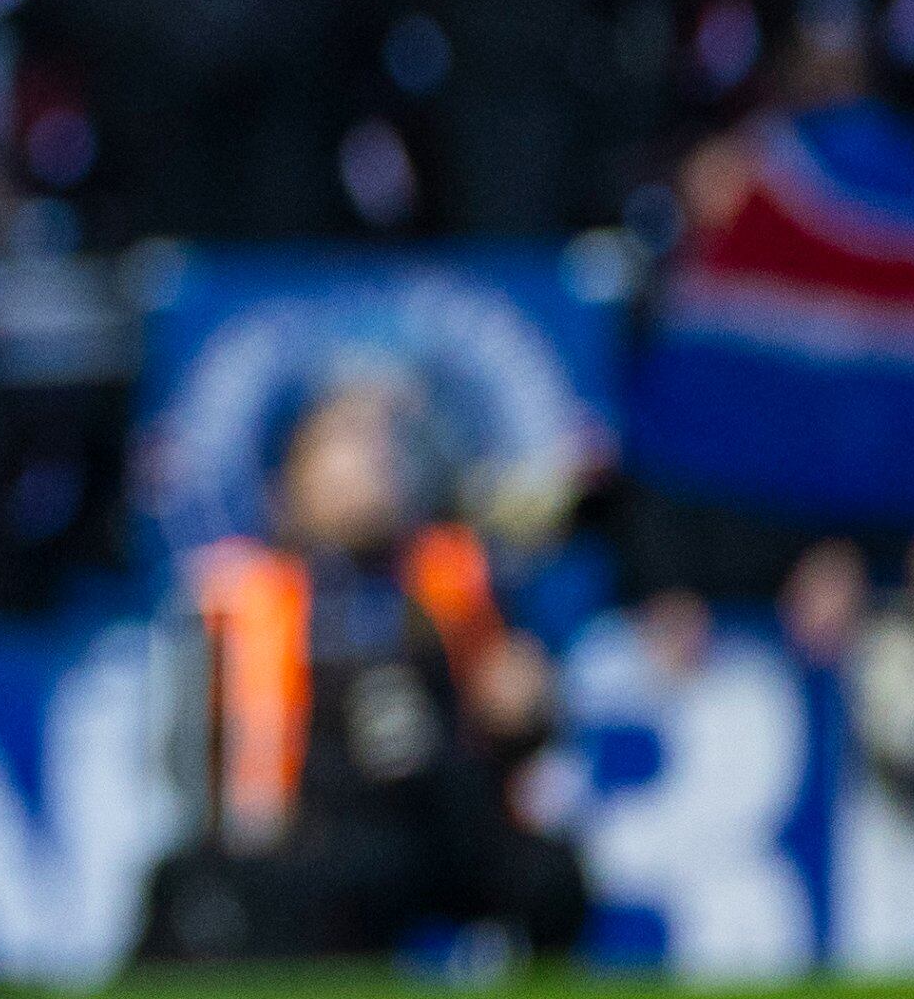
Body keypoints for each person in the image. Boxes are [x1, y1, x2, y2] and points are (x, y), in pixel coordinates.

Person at [135, 381, 588, 968]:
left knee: (548, 875)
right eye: (345, 442)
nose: (375, 459)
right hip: (314, 828)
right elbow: (194, 756)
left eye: (384, 443)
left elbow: (517, 725)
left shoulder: (449, 575)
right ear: (290, 479)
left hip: (443, 819)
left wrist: (523, 708)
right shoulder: (245, 594)